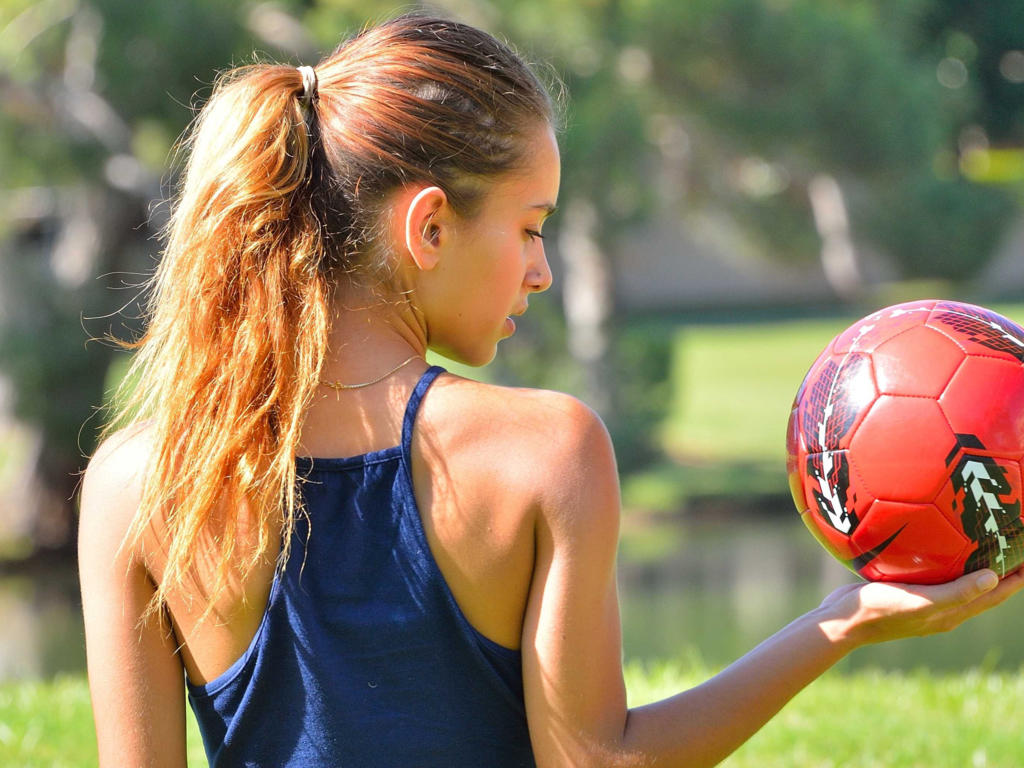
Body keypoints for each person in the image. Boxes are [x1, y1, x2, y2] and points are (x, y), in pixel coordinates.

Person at [78, 12, 1024, 768]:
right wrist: (835, 624)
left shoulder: (135, 482)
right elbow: (601, 762)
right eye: (530, 229)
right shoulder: (545, 453)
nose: (541, 271)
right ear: (431, 228)